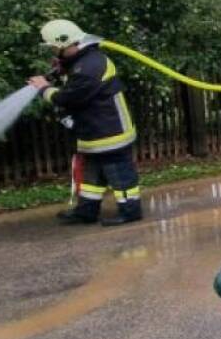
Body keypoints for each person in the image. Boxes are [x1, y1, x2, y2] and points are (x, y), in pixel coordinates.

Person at [27, 19, 143, 226]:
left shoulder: (91, 66)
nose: (53, 51)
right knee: (92, 177)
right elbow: (73, 76)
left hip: (111, 132)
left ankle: (130, 211)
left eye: (54, 47)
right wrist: (61, 69)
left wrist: (44, 88)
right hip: (93, 131)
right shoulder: (82, 60)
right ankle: (86, 211)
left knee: (120, 175)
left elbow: (69, 98)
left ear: (64, 44)